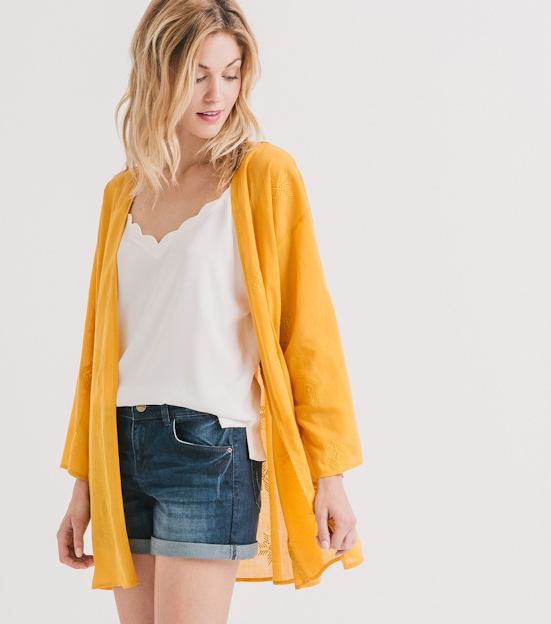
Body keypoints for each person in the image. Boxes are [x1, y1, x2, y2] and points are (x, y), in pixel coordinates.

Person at [56, 1, 364, 622]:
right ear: (157, 72)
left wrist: (329, 472)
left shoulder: (262, 175)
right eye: (197, 74)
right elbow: (99, 350)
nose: (216, 94)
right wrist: (83, 481)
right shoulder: (123, 193)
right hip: (121, 446)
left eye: (231, 72)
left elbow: (307, 329)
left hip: (209, 448)